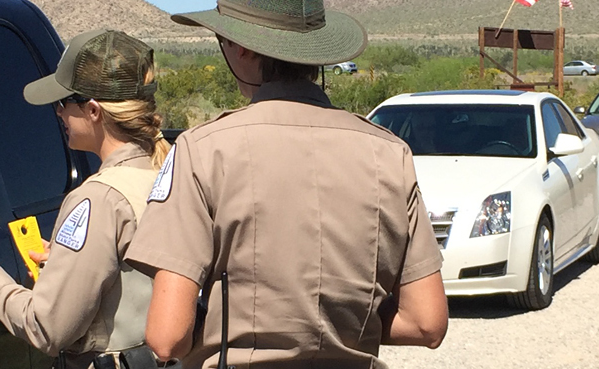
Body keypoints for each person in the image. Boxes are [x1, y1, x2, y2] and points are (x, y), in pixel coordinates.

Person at [122, 0, 450, 367]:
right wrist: (342, 325)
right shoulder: (390, 153)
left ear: (242, 47)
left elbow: (167, 338)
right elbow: (427, 322)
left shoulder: (203, 150)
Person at [0, 29, 169, 369]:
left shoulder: (99, 198)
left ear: (94, 110)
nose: (58, 113)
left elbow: (47, 329)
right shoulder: (171, 174)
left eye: (63, 103)